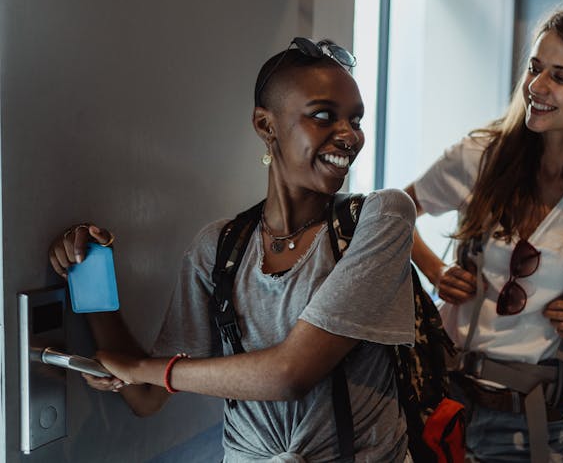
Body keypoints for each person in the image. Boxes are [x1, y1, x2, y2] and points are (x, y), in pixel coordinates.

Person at [49, 38, 417, 462]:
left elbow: (290, 374)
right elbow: (147, 394)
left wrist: (143, 370)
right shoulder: (219, 248)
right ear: (266, 125)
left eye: (356, 120)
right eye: (323, 116)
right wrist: (89, 270)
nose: (350, 136)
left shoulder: (379, 219)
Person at [404, 5, 563, 462]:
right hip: (446, 406)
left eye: (562, 77)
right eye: (535, 69)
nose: (537, 87)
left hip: (534, 427)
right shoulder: (481, 156)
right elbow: (391, 212)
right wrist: (435, 270)